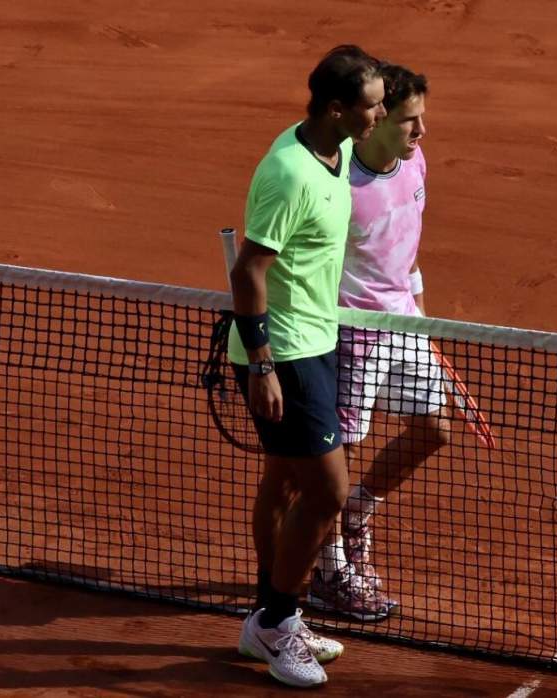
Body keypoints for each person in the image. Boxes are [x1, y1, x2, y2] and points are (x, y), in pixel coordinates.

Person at [227, 45, 386, 687]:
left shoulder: (337, 148)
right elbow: (248, 270)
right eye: (372, 106)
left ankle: (274, 620)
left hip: (319, 342)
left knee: (291, 485)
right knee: (326, 490)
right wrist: (261, 363)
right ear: (338, 108)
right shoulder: (290, 173)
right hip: (284, 354)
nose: (378, 115)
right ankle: (274, 624)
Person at [305, 64, 451, 621]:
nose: (421, 132)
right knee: (335, 455)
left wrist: (420, 305)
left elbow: (406, 243)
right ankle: (329, 570)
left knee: (434, 429)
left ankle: (357, 513)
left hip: (405, 319)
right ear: (378, 120)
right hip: (352, 331)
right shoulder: (339, 184)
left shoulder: (415, 161)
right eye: (410, 120)